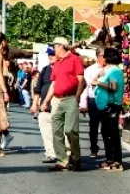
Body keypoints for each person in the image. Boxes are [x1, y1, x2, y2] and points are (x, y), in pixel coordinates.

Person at [43, 37, 85, 171]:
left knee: (70, 130)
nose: (53, 49)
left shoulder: (75, 59)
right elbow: (53, 84)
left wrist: (77, 97)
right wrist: (46, 101)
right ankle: (62, 160)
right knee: (56, 131)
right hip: (57, 99)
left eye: (54, 46)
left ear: (61, 46)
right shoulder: (57, 63)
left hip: (70, 98)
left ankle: (76, 157)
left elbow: (81, 79)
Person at [94, 47, 125, 171]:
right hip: (105, 106)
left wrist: (98, 83)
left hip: (111, 106)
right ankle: (109, 159)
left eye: (104, 56)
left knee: (112, 134)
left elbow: (113, 87)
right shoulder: (109, 71)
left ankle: (116, 161)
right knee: (106, 133)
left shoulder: (114, 71)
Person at [31, 47, 58, 164]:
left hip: (57, 105)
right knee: (46, 130)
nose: (50, 56)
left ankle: (65, 154)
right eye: (49, 55)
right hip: (44, 107)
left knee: (59, 132)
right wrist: (34, 104)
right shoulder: (45, 70)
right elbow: (37, 88)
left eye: (52, 54)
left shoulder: (61, 69)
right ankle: (50, 154)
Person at [80, 48, 106, 158]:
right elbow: (85, 87)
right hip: (93, 100)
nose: (105, 57)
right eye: (103, 55)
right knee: (93, 126)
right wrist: (83, 104)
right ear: (97, 56)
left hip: (106, 100)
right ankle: (93, 148)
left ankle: (109, 150)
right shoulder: (90, 70)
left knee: (106, 126)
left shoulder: (110, 69)